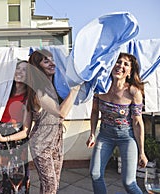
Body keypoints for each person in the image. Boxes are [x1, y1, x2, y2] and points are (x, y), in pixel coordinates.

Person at [86, 52, 148, 194]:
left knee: (129, 182)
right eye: (118, 62)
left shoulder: (133, 92)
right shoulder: (100, 87)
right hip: (105, 135)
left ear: (130, 71)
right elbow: (95, 112)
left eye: (126, 64)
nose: (120, 66)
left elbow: (138, 122)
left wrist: (142, 152)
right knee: (95, 174)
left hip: (127, 136)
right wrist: (92, 134)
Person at [26, 49, 80, 194]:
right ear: (38, 67)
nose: (52, 63)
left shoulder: (56, 88)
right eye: (46, 61)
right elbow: (60, 113)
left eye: (52, 59)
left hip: (56, 140)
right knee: (50, 186)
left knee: (51, 185)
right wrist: (75, 90)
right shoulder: (39, 91)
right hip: (41, 143)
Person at [0, 60, 32, 194]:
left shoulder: (28, 97)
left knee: (18, 179)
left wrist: (5, 139)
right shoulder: (4, 93)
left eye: (24, 70)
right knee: (3, 178)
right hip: (1, 141)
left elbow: (26, 131)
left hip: (17, 143)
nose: (19, 72)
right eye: (18, 68)